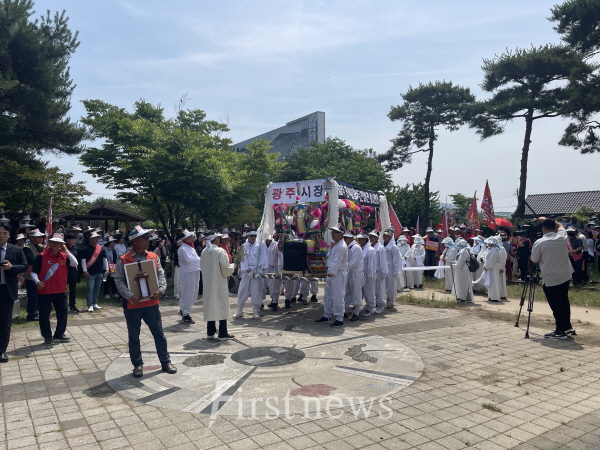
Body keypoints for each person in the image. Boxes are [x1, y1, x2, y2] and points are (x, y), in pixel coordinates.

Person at [114, 226, 176, 377]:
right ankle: (137, 365)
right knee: (134, 336)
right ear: (134, 241)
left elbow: (161, 275)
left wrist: (161, 290)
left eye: (148, 238)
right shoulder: (123, 259)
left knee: (159, 334)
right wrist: (129, 295)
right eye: (144, 238)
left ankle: (166, 362)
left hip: (151, 304)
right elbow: (119, 280)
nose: (148, 241)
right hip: (133, 304)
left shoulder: (153, 257)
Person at [531, 218, 575, 339]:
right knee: (564, 301)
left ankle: (560, 330)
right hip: (565, 274)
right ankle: (567, 326)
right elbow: (561, 226)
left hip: (551, 277)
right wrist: (547, 220)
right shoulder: (561, 236)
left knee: (556, 305)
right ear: (554, 228)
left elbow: (534, 260)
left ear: (543, 229)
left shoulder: (540, 242)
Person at [30, 234, 78, 345]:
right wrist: (37, 282)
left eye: (58, 242)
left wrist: (66, 251)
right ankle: (47, 336)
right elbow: (33, 272)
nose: (55, 244)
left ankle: (59, 334)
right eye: (52, 242)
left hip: (61, 291)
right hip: (45, 291)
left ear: (62, 244)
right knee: (44, 315)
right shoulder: (41, 256)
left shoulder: (64, 256)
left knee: (62, 313)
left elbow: (75, 263)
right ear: (49, 243)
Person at [0, 222, 28, 363]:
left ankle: (2, 351)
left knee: (4, 322)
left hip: (6, 290)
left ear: (9, 235)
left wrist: (11, 267)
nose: (1, 236)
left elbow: (24, 266)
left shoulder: (16, 250)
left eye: (4, 233)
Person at [200, 233, 235, 340]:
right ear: (215, 239)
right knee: (221, 305)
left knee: (210, 305)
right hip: (219, 282)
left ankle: (210, 331)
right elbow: (225, 269)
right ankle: (223, 332)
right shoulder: (220, 251)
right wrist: (233, 266)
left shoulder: (204, 251)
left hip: (208, 283)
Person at [315, 226, 348, 327]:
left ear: (341, 234)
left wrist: (331, 272)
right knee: (328, 295)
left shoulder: (341, 246)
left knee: (338, 296)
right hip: (332, 272)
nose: (333, 234)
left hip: (337, 273)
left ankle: (339, 318)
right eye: (332, 232)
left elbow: (337, 262)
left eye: (335, 232)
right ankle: (327, 315)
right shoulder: (335, 244)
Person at [234, 230, 268, 319]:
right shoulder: (243, 246)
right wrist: (247, 271)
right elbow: (242, 259)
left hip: (257, 270)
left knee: (256, 290)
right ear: (247, 237)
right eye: (251, 236)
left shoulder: (261, 245)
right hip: (246, 272)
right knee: (242, 290)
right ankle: (240, 309)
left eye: (254, 236)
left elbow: (264, 257)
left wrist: (262, 269)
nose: (253, 237)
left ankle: (256, 310)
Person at [81, 232, 108, 313]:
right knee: (90, 288)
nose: (96, 239)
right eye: (94, 238)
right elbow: (83, 261)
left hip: (99, 272)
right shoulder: (85, 249)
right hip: (90, 272)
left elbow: (104, 259)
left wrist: (106, 269)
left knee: (97, 288)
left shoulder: (101, 248)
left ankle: (94, 303)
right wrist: (85, 271)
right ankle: (90, 305)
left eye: (97, 238)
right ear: (90, 239)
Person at [178, 230, 201, 324]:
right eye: (190, 236)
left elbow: (196, 259)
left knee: (194, 293)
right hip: (188, 273)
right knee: (188, 292)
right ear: (185, 238)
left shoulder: (190, 247)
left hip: (195, 271)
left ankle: (184, 310)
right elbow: (189, 260)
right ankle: (185, 314)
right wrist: (203, 261)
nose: (192, 238)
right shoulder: (182, 248)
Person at [22, 229, 45, 321]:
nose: (40, 238)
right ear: (31, 238)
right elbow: (32, 260)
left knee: (40, 294)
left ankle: (37, 311)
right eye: (37, 236)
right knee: (33, 295)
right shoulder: (27, 248)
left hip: (41, 274)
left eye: (40, 236)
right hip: (31, 275)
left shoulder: (41, 246)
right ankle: (31, 313)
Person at [343, 232, 363, 321]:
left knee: (356, 293)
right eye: (344, 237)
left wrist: (344, 271)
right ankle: (345, 311)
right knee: (347, 292)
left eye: (347, 238)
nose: (345, 239)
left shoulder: (356, 248)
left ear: (352, 238)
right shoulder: (346, 247)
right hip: (348, 272)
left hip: (355, 273)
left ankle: (356, 312)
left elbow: (352, 263)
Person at [368, 231, 388, 314]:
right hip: (372, 271)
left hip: (379, 271)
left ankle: (381, 305)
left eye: (373, 236)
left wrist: (383, 272)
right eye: (370, 236)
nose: (371, 238)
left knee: (380, 290)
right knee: (372, 289)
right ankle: (372, 304)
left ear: (377, 238)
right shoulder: (369, 246)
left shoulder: (381, 248)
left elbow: (383, 261)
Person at [382, 229, 401, 309]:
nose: (384, 237)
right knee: (383, 285)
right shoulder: (381, 245)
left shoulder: (394, 247)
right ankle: (383, 300)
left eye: (386, 235)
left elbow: (396, 260)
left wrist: (395, 271)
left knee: (391, 286)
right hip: (383, 268)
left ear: (390, 236)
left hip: (391, 269)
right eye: (384, 235)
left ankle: (391, 302)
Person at [358, 233, 376, 317]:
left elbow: (371, 264)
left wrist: (370, 275)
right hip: (361, 273)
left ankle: (370, 308)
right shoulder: (361, 248)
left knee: (369, 291)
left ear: (365, 240)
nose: (359, 240)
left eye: (361, 239)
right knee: (361, 291)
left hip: (368, 273)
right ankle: (363, 306)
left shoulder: (370, 250)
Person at [453, 239, 474, 303]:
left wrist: (454, 265)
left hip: (463, 269)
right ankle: (465, 297)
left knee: (463, 283)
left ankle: (462, 298)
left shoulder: (463, 251)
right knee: (461, 283)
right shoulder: (462, 250)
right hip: (461, 268)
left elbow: (460, 262)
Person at [265, 234, 283, 311]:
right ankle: (262, 302)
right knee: (265, 284)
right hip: (265, 267)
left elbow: (281, 256)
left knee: (274, 284)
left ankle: (275, 301)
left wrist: (282, 268)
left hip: (274, 267)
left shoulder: (276, 244)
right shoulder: (262, 244)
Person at [65, 234, 80, 312]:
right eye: (73, 239)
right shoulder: (63, 249)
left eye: (75, 239)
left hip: (74, 272)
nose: (75, 241)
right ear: (67, 240)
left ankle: (72, 305)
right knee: (64, 289)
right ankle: (64, 305)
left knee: (73, 289)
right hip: (65, 272)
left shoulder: (76, 249)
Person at [483, 237, 502, 302]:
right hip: (490, 267)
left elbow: (492, 259)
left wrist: (487, 266)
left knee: (493, 281)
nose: (487, 243)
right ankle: (490, 295)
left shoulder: (495, 250)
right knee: (490, 281)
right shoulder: (489, 249)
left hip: (493, 267)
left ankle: (495, 296)